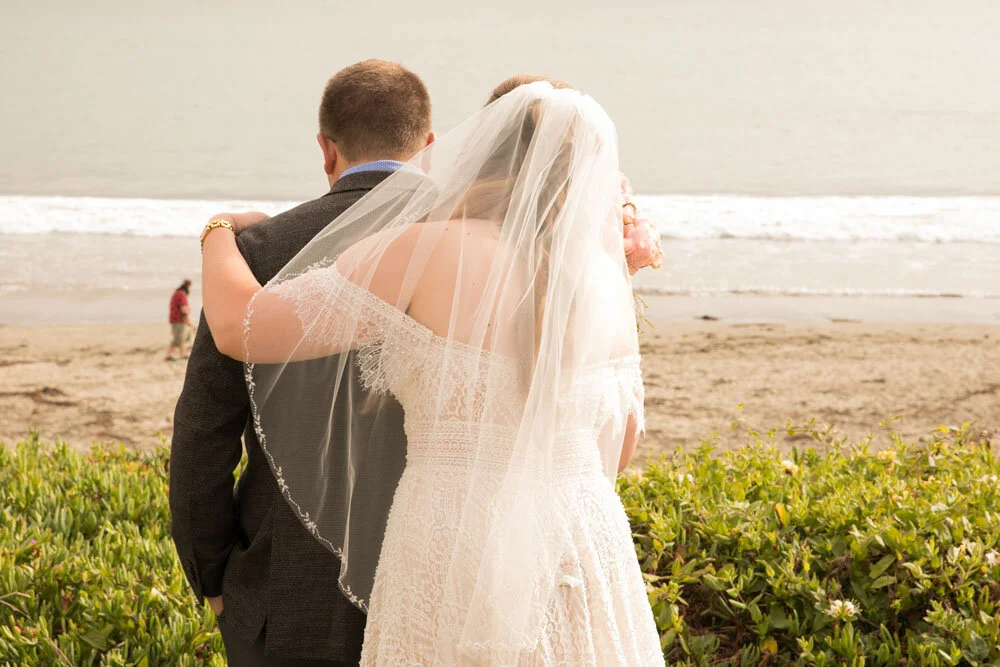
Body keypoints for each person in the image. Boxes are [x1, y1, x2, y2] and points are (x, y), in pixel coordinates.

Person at [200, 81, 664, 665]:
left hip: (453, 535)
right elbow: (615, 452)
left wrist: (218, 233)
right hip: (584, 541)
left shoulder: (424, 251)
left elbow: (242, 328)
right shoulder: (605, 279)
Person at [169, 59, 435, 665]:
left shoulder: (257, 252)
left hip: (282, 592)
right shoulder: (477, 250)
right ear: (428, 146)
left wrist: (213, 576)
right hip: (437, 581)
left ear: (325, 148)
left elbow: (203, 432)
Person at [165, 279, 194, 361]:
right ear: (188, 286)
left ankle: (182, 354)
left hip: (176, 319)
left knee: (182, 338)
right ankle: (168, 355)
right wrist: (188, 320)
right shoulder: (181, 294)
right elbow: (183, 309)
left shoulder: (178, 293)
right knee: (178, 338)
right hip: (179, 319)